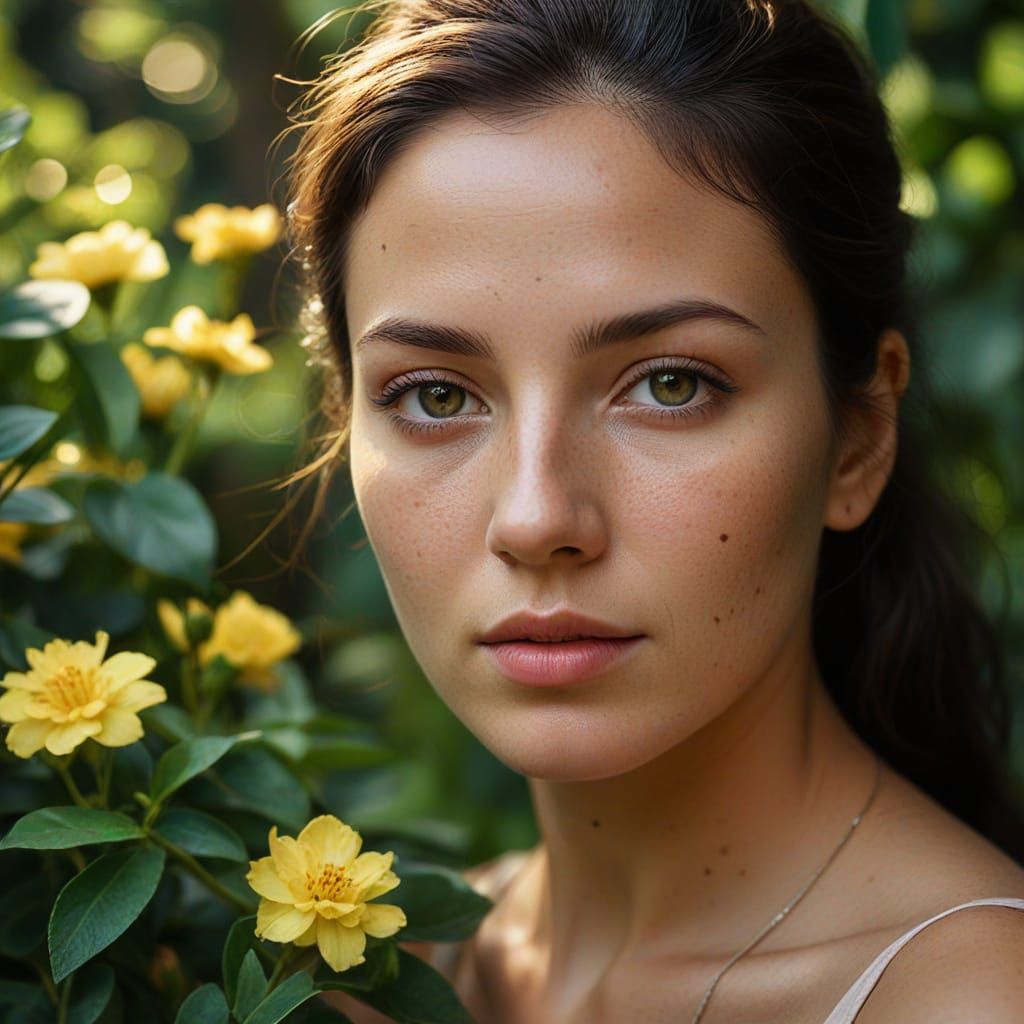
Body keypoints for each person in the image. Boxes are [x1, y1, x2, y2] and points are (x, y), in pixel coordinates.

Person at [277, 0, 1024, 1019]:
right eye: (436, 395)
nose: (538, 517)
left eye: (670, 385)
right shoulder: (365, 981)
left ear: (858, 435)